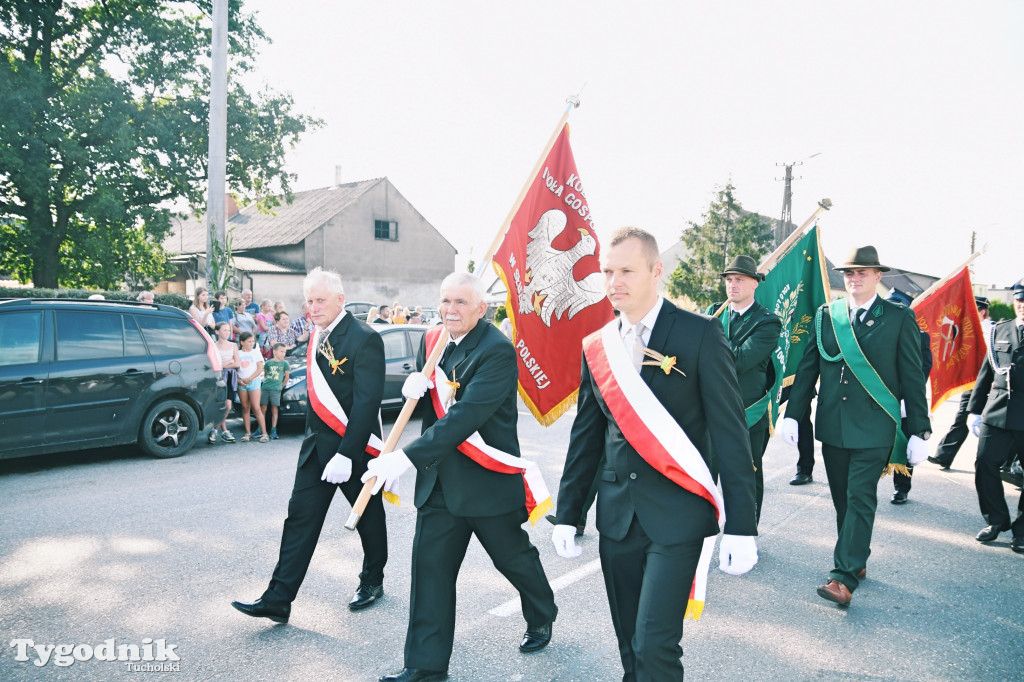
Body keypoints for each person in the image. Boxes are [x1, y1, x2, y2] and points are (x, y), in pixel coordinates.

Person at [551, 228, 758, 681]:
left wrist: (743, 526)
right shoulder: (597, 345)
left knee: (655, 643)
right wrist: (569, 512)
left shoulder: (700, 334)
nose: (614, 281)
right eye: (607, 271)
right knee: (629, 642)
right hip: (618, 517)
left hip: (678, 515)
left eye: (626, 270)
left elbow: (730, 433)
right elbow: (587, 437)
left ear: (656, 271)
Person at [367, 272, 557, 682]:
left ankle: (542, 611)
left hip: (486, 481)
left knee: (514, 561)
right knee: (429, 574)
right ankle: (425, 666)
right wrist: (413, 390)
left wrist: (405, 459)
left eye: (460, 303)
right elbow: (434, 414)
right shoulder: (432, 341)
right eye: (445, 301)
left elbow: (466, 417)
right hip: (439, 484)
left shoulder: (498, 351)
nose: (449, 309)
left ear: (480, 308)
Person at [231, 267, 388, 623]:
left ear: (339, 299)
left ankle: (372, 580)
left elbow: (366, 403)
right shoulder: (317, 336)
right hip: (316, 448)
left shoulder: (364, 337)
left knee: (366, 516)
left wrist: (348, 454)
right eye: (309, 301)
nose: (312, 307)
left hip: (354, 448)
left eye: (320, 300)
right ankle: (278, 598)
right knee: (299, 520)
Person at [780, 246, 931, 606]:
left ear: (878, 276)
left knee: (860, 497)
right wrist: (792, 413)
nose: (855, 278)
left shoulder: (897, 318)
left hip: (876, 428)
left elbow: (912, 377)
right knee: (842, 501)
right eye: (849, 273)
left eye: (863, 272)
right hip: (833, 427)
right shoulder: (826, 316)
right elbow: (808, 369)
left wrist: (919, 430)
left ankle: (843, 577)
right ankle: (856, 557)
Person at [715, 254, 782, 524]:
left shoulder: (767, 322)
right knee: (706, 472)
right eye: (729, 279)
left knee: (745, 475)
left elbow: (741, 361)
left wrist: (710, 337)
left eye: (739, 279)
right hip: (711, 408)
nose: (732, 285)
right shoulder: (714, 312)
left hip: (747, 412)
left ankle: (745, 531)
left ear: (755, 283)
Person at [966, 278, 1024, 553]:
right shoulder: (1000, 330)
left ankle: (1022, 531)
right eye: (1020, 300)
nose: (1023, 305)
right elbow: (986, 372)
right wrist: (974, 410)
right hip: (998, 411)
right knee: (984, 464)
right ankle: (996, 520)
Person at [928, 296, 995, 469]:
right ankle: (944, 456)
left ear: (982, 312)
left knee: (996, 427)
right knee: (961, 419)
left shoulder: (993, 331)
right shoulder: (968, 330)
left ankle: (1009, 466)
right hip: (972, 384)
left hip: (993, 385)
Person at [885, 288, 933, 504]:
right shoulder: (874, 333)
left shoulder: (920, 336)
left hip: (904, 399)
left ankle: (902, 488)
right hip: (879, 398)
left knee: (905, 444)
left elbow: (923, 368)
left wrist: (908, 399)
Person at [236, 332, 270, 443]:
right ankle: (247, 433)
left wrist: (249, 379)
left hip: (253, 382)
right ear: (242, 342)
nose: (252, 343)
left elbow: (259, 369)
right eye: (249, 341)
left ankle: (264, 433)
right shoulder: (237, 353)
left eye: (253, 341)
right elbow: (234, 369)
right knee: (245, 407)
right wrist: (239, 381)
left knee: (256, 407)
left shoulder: (256, 352)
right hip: (241, 383)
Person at [210, 321, 239, 444]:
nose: (227, 333)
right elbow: (213, 364)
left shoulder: (233, 345)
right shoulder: (213, 346)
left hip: (230, 378)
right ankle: (224, 430)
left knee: (228, 406)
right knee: (220, 405)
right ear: (217, 332)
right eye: (224, 330)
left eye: (228, 330)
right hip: (218, 377)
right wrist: (228, 363)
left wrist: (222, 364)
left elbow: (237, 363)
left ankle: (215, 429)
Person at [262, 343, 291, 440]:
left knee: (275, 409)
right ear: (274, 351)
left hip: (276, 389)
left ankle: (273, 430)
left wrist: (281, 386)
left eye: (284, 352)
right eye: (281, 351)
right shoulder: (268, 363)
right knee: (263, 409)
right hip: (265, 388)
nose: (283, 353)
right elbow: (266, 374)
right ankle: (260, 428)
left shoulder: (285, 363)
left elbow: (286, 377)